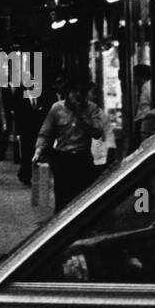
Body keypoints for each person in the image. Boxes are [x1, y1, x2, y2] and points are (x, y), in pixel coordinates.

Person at [33, 79, 103, 212]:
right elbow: (45, 132)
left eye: (81, 92)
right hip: (63, 157)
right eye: (74, 92)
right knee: (62, 194)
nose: (77, 95)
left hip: (82, 157)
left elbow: (97, 132)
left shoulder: (92, 108)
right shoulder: (57, 108)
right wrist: (38, 150)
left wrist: (82, 115)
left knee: (82, 195)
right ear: (68, 93)